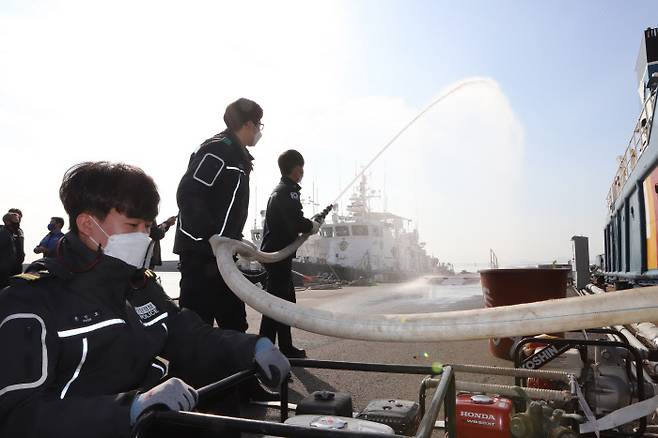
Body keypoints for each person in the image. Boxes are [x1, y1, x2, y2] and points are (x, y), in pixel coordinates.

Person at [0, 161, 290, 438]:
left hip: (150, 426)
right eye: (132, 226)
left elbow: (190, 336)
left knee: (220, 416)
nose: (144, 236)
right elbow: (18, 419)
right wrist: (129, 409)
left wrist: (252, 347)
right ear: (88, 224)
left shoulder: (141, 286)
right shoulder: (32, 301)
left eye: (147, 226)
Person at [174, 98, 263, 332]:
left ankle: (236, 367)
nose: (260, 132)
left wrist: (232, 238)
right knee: (195, 326)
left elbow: (225, 205)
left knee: (234, 323)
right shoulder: (217, 150)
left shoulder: (238, 156)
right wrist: (211, 235)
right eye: (260, 125)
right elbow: (189, 193)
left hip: (223, 255)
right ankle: (190, 368)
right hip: (202, 255)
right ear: (249, 125)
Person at [259, 150, 320, 358]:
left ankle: (285, 347)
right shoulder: (289, 191)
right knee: (275, 305)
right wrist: (311, 225)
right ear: (294, 168)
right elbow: (295, 221)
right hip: (277, 257)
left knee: (283, 303)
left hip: (276, 255)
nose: (302, 171)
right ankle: (265, 352)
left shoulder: (280, 190)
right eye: (300, 167)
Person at [0, 213, 18, 288]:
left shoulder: (11, 234)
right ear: (7, 221)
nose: (17, 222)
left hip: (9, 269)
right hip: (3, 270)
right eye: (15, 220)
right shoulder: (4, 234)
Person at [7, 207, 24, 275]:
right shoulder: (2, 230)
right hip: (6, 266)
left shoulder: (20, 231)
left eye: (19, 217)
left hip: (18, 265)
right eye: (15, 217)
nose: (17, 219)